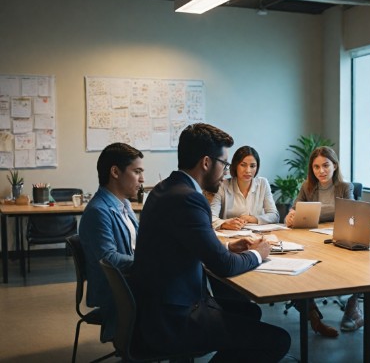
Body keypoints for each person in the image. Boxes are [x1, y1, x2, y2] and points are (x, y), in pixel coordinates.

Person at [130, 123, 290, 362]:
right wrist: (259, 253)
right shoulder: (189, 199)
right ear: (206, 162)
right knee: (279, 340)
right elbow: (223, 266)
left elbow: (188, 244)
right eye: (224, 164)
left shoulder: (166, 189)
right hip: (176, 317)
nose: (226, 171)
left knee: (249, 310)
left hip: (159, 304)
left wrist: (227, 246)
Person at [284, 146, 359, 337]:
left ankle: (353, 305)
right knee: (298, 271)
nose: (321, 171)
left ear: (334, 165)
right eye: (316, 167)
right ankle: (314, 318)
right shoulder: (307, 186)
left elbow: (351, 215)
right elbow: (293, 210)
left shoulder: (345, 187)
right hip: (311, 241)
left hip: (337, 240)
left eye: (325, 165)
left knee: (359, 261)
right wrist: (291, 216)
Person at [79, 142, 144, 342]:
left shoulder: (123, 203)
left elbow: (137, 243)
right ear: (115, 172)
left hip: (131, 280)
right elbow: (109, 258)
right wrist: (150, 262)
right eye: (137, 171)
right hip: (118, 292)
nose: (142, 179)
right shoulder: (99, 211)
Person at [210, 145, 279, 230]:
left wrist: (253, 219)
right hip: (230, 235)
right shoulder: (223, 185)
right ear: (235, 166)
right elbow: (211, 217)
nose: (248, 170)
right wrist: (224, 224)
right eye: (243, 165)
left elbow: (274, 215)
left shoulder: (263, 183)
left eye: (252, 166)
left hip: (257, 235)